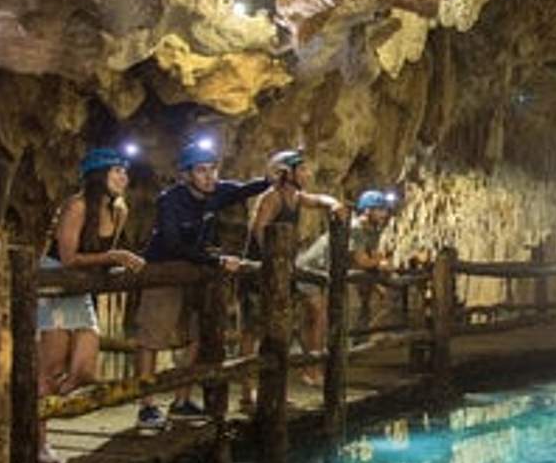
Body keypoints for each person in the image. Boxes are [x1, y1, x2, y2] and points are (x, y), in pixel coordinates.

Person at [133, 138, 268, 427]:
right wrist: (216, 260)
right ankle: (146, 405)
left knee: (196, 335)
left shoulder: (216, 192)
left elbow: (244, 189)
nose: (210, 177)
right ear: (186, 175)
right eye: (201, 170)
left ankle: (181, 401)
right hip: (164, 271)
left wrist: (270, 179)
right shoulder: (170, 201)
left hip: (194, 273)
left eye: (212, 169)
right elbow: (172, 243)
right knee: (152, 337)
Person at [37, 146, 145, 463]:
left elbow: (99, 257)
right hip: (56, 283)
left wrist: (114, 262)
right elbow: (68, 257)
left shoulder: (119, 211)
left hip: (81, 287)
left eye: (125, 172)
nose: (124, 177)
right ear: (98, 175)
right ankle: (38, 439)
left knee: (84, 370)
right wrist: (113, 256)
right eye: (116, 171)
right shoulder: (77, 206)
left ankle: (31, 408)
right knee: (51, 369)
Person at [245, 148, 347, 386]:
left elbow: (317, 200)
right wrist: (274, 262)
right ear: (285, 173)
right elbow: (259, 231)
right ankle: (249, 389)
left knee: (286, 321)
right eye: (301, 169)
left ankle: (289, 378)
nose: (307, 174)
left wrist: (334, 203)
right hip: (262, 269)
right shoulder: (272, 198)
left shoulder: (295, 197)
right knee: (253, 327)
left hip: (282, 269)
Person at [297, 188, 398, 331]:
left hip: (329, 271)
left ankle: (326, 344)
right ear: (367, 210)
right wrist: (380, 262)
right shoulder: (356, 228)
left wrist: (378, 266)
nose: (385, 214)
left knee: (324, 317)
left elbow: (371, 257)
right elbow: (361, 261)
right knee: (317, 316)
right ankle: (318, 346)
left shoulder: (372, 231)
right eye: (380, 210)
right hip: (311, 269)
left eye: (386, 210)